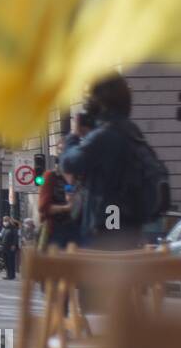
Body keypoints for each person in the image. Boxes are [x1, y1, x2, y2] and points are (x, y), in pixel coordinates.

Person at [61, 74, 160, 251]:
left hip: (111, 211)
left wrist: (73, 137)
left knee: (109, 263)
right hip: (130, 214)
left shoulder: (105, 135)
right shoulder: (131, 130)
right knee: (120, 262)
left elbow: (70, 163)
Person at [37, 147, 79, 250]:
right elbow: (43, 207)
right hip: (57, 229)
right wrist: (66, 207)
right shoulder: (51, 176)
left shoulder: (80, 177)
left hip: (78, 228)